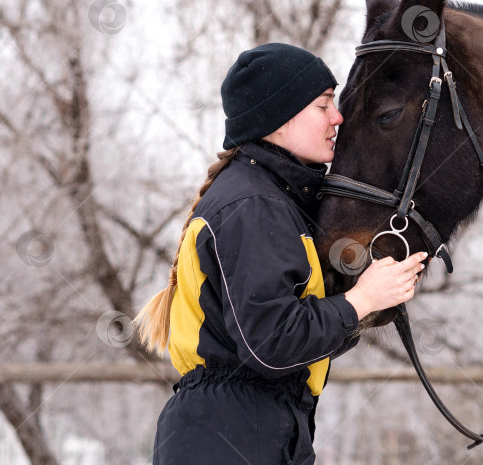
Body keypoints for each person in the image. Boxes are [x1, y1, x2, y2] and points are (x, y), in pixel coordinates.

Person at [134, 43, 426, 465]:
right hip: (229, 440)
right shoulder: (253, 206)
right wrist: (360, 300)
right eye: (324, 105)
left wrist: (370, 301)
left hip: (255, 431)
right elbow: (269, 344)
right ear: (280, 118)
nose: (337, 117)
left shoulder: (275, 202)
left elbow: (291, 343)